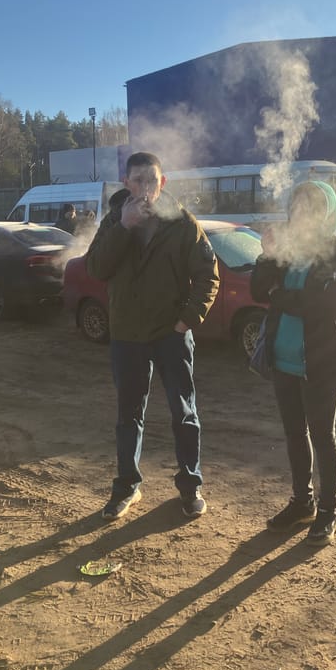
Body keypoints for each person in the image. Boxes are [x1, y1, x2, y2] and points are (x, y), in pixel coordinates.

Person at [86, 152, 220, 521]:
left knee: (184, 413)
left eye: (152, 180)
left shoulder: (182, 223)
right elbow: (96, 267)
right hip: (127, 335)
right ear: (126, 184)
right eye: (138, 180)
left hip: (170, 335)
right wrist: (124, 227)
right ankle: (127, 486)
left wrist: (186, 321)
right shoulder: (115, 219)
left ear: (163, 182)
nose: (145, 188)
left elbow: (208, 274)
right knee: (128, 415)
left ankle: (190, 486)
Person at [250, 181, 336, 546]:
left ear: (327, 212)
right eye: (296, 206)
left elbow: (321, 307)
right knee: (295, 433)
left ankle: (329, 511)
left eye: (311, 207)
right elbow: (257, 291)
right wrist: (267, 255)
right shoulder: (288, 248)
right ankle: (302, 502)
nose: (301, 213)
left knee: (323, 435)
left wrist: (279, 294)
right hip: (284, 359)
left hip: (322, 361)